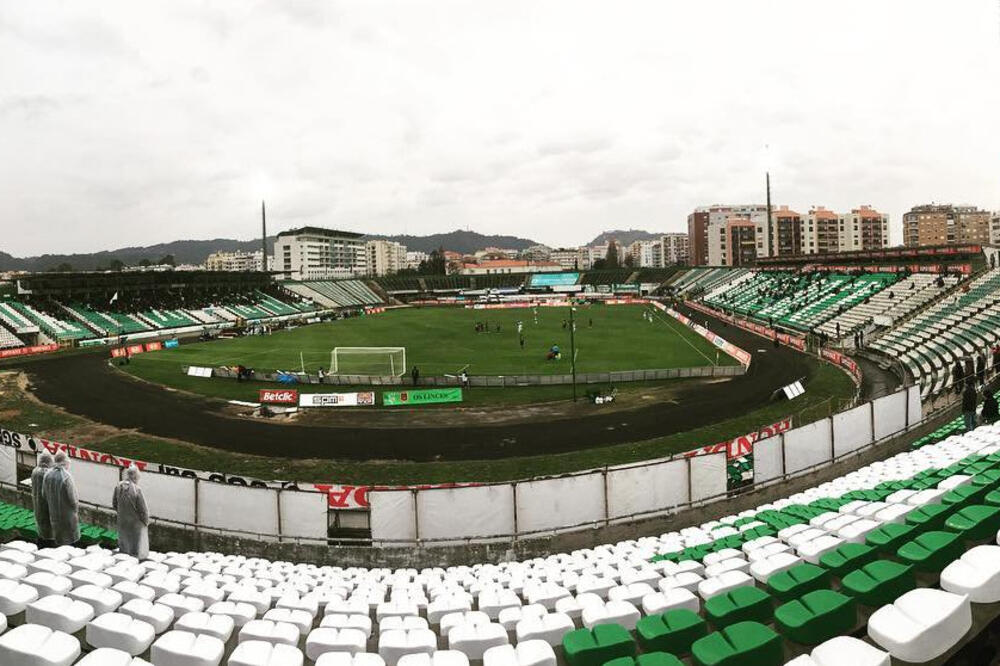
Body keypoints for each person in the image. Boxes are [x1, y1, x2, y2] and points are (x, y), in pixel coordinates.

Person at [42, 452, 79, 547]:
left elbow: (44, 494)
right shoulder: (66, 477)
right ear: (65, 462)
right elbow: (73, 499)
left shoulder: (47, 474)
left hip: (53, 514)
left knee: (58, 540)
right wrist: (75, 511)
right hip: (68, 515)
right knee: (69, 542)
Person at [113, 466, 150, 559]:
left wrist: (122, 513)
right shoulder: (137, 490)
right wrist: (146, 522)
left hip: (122, 522)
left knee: (123, 548)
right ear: (136, 477)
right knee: (134, 551)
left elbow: (114, 504)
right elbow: (143, 510)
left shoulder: (118, 486)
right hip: (134, 525)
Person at [31, 452, 54, 548]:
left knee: (42, 531)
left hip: (38, 506)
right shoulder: (47, 474)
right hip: (47, 508)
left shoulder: (35, 471)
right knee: (49, 534)